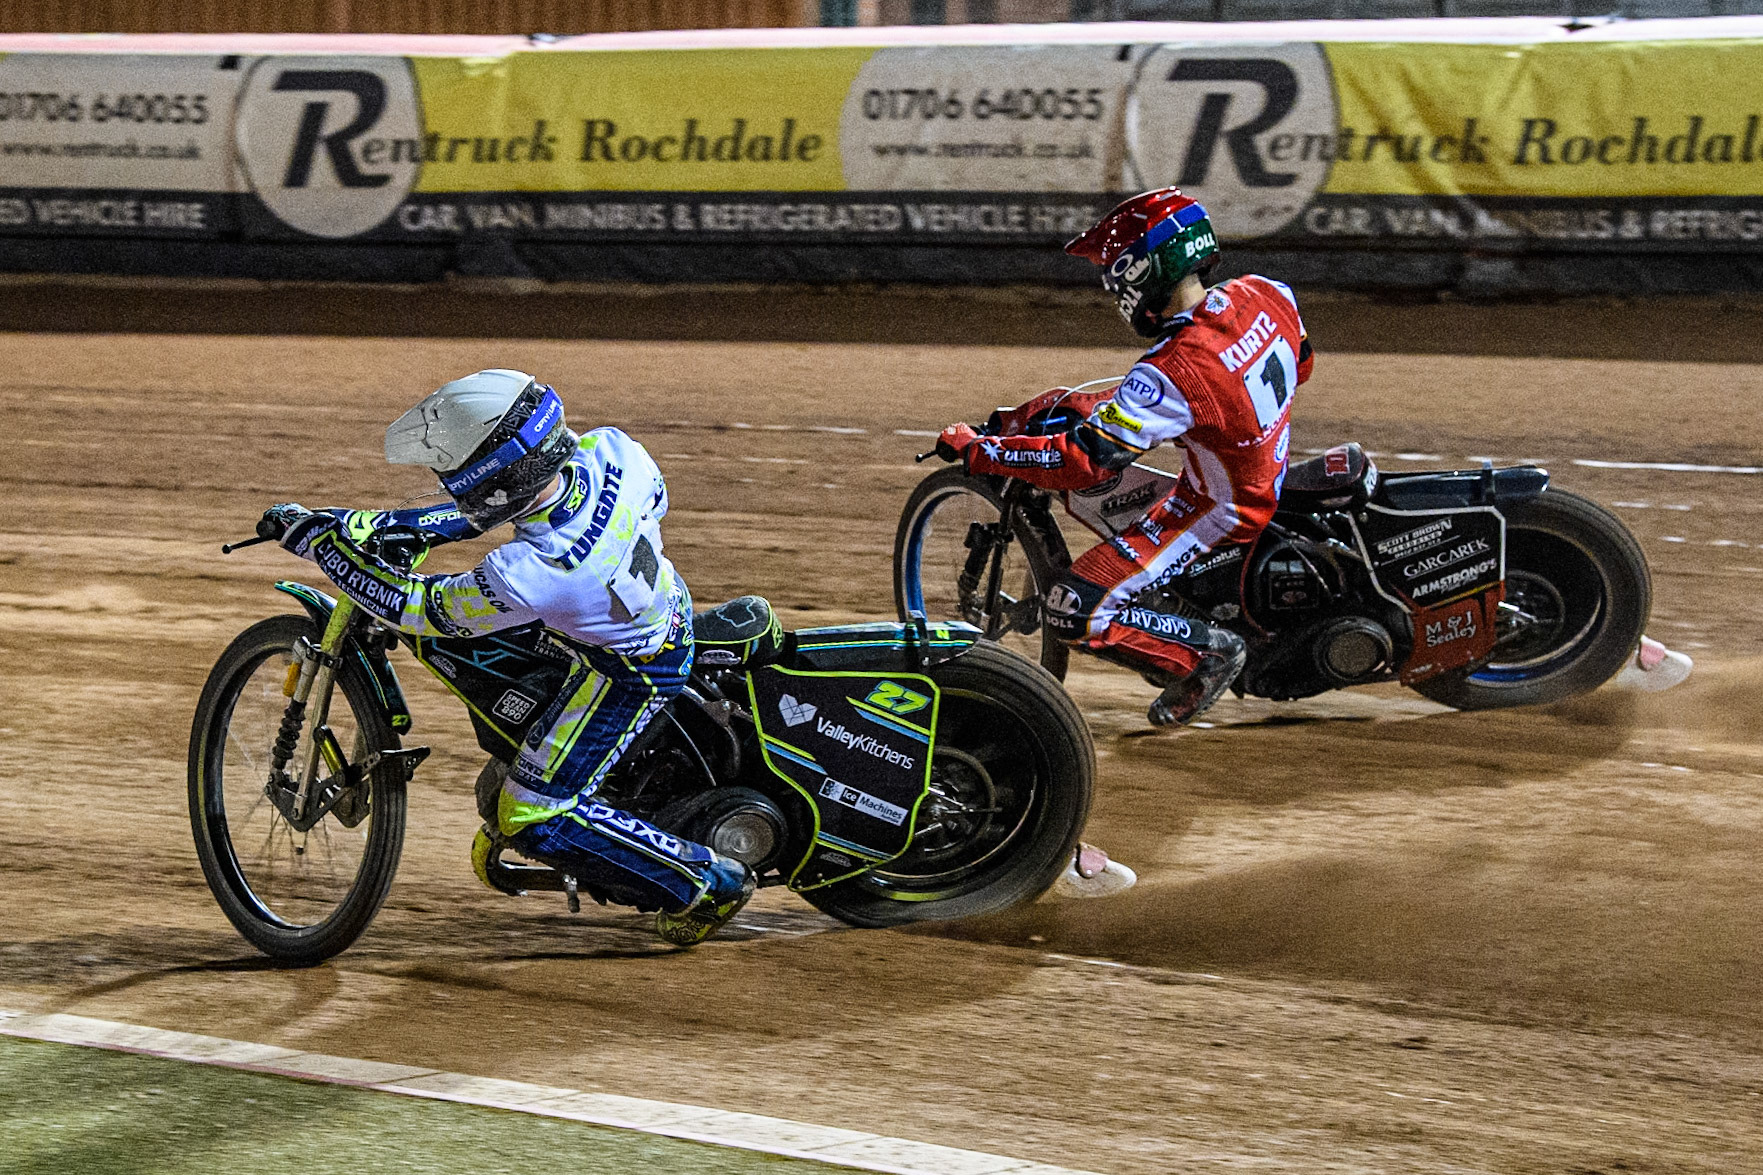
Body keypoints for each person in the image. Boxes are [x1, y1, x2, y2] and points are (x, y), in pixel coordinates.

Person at [259, 369, 754, 947]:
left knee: (529, 814)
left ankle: (704, 883)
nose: (443, 482)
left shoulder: (534, 572)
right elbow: (539, 501)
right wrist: (396, 525)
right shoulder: (616, 451)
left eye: (451, 472)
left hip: (630, 672)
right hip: (654, 607)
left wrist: (324, 546)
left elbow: (417, 607)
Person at [938, 188, 1312, 731]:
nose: (1112, 286)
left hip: (1219, 509)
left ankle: (1206, 654)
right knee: (1085, 415)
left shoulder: (1173, 368)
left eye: (1113, 271)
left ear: (1144, 268)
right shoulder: (1264, 291)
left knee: (1072, 607)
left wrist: (983, 451)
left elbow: (1081, 463)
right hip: (1260, 466)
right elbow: (1302, 363)